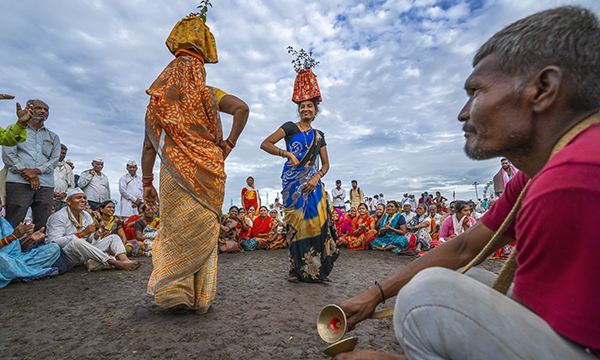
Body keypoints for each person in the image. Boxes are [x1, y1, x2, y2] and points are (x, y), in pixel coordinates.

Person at [338, 8, 600, 359]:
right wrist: (376, 293)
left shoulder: (569, 180)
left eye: (475, 91)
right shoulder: (535, 174)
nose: (463, 112)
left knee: (424, 296)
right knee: (457, 279)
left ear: (543, 89)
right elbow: (464, 248)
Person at [143, 14, 249, 313]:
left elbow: (150, 144)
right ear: (201, 66)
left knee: (176, 229)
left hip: (174, 175)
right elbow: (242, 108)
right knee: (202, 229)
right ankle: (199, 296)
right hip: (209, 172)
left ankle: (173, 293)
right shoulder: (207, 93)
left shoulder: (159, 99)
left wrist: (147, 183)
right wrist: (228, 144)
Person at [260, 58, 338, 283]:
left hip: (313, 183)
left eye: (309, 106)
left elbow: (325, 165)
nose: (305, 109)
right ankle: (298, 270)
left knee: (315, 225)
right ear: (299, 110)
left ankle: (316, 270)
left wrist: (316, 177)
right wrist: (288, 154)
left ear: (315, 111)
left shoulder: (319, 135)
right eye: (302, 106)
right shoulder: (290, 127)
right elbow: (266, 144)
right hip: (292, 183)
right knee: (297, 227)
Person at [45, 188, 141, 272]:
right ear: (69, 201)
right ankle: (115, 263)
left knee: (114, 237)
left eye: (84, 198)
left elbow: (90, 240)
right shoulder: (59, 216)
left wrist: (96, 235)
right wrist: (81, 234)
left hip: (83, 254)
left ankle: (125, 260)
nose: (83, 200)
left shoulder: (86, 215)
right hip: (64, 257)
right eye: (78, 198)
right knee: (77, 242)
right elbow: (52, 243)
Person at [2, 99, 61, 232]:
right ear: (29, 109)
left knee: (42, 220)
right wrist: (28, 175)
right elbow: (9, 154)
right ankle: (8, 249)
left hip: (45, 184)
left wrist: (36, 171)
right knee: (14, 218)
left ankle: (38, 248)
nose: (43, 112)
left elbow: (54, 160)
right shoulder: (14, 129)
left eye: (46, 110)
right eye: (39, 108)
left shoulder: (53, 137)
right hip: (18, 181)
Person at [0, 218, 60, 288]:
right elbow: (11, 238)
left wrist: (30, 240)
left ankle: (17, 273)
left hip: (18, 259)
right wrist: (11, 237)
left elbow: (17, 248)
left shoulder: (7, 224)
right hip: (3, 261)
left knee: (54, 247)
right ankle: (31, 273)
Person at [53, 144, 75, 212]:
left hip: (63, 199)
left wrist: (65, 194)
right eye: (59, 152)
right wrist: (52, 193)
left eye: (63, 153)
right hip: (49, 197)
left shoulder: (68, 168)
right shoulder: (48, 165)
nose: (61, 155)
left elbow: (71, 185)